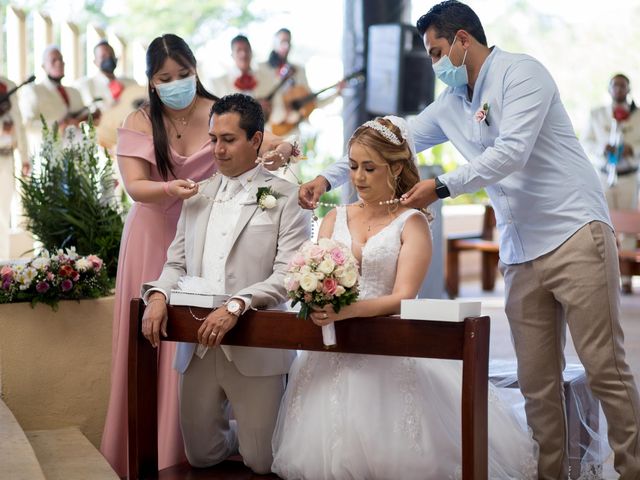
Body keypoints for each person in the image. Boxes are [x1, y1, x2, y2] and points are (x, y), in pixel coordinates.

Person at [298, 2, 640, 478]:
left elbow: (511, 152)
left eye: (437, 51)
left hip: (574, 232)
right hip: (521, 250)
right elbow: (385, 140)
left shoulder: (524, 75)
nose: (435, 64)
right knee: (536, 380)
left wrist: (439, 187)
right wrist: (323, 178)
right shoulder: (450, 106)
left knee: (605, 368)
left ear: (463, 40)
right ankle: (551, 474)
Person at [273, 116, 538, 479]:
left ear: (396, 166)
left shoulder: (412, 222)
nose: (358, 178)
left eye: (369, 168)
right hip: (331, 352)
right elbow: (315, 275)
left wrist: (348, 310)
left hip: (387, 349)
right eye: (352, 167)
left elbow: (403, 296)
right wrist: (314, 296)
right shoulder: (334, 217)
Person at [100, 34, 295, 477]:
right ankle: (160, 448)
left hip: (219, 226)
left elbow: (269, 142)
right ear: (151, 82)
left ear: (195, 70)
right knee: (155, 333)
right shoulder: (138, 119)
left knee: (214, 347)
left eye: (183, 75)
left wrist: (284, 152)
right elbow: (135, 186)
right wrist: (172, 190)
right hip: (158, 229)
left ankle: (213, 436)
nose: (176, 84)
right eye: (165, 78)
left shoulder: (219, 110)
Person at [141, 93, 310, 474]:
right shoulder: (196, 195)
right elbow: (176, 262)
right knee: (200, 454)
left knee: (262, 461)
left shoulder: (285, 197)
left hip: (255, 342)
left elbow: (287, 274)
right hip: (198, 344)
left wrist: (237, 305)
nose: (217, 149)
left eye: (228, 139)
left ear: (255, 140)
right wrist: (157, 295)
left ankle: (259, 435)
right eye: (213, 138)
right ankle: (243, 434)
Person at [582, 73, 640, 293]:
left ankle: (625, 278)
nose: (619, 89)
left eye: (623, 85)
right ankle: (604, 276)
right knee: (603, 223)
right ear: (609, 89)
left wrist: (632, 149)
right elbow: (586, 141)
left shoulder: (638, 115)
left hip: (628, 176)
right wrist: (601, 148)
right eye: (615, 85)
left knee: (627, 227)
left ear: (629, 88)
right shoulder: (597, 115)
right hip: (604, 176)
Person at [19, 45, 96, 153]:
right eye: (53, 60)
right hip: (49, 155)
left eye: (60, 59)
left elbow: (84, 117)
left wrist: (88, 117)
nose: (59, 63)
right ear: (43, 66)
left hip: (78, 152)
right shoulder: (33, 91)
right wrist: (58, 125)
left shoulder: (74, 92)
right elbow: (27, 124)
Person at [209, 34, 275, 118]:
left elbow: (279, 113)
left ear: (251, 52)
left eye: (246, 49)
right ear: (232, 55)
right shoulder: (218, 84)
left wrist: (268, 111)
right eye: (239, 50)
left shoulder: (266, 78)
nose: (243, 54)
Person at [0, 75, 29, 260]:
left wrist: (24, 156)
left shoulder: (8, 84)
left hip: (7, 155)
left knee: (3, 211)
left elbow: (18, 120)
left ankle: (3, 262)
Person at [75, 40, 139, 111]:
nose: (109, 58)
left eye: (111, 55)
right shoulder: (86, 86)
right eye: (103, 56)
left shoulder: (131, 84)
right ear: (95, 62)